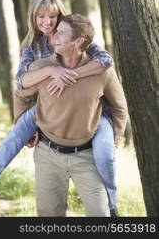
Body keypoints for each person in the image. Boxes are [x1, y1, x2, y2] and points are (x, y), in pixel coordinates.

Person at [0, 0, 116, 214]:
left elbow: (106, 60)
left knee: (105, 155)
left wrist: (70, 74)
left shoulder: (75, 34)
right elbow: (21, 83)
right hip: (49, 109)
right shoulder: (33, 46)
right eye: (41, 16)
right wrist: (51, 71)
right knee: (13, 138)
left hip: (89, 111)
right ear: (33, 17)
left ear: (61, 15)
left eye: (52, 16)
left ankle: (112, 205)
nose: (47, 22)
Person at [14, 14, 128, 216]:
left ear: (79, 41)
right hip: (47, 154)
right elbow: (21, 93)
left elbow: (119, 107)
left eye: (62, 33)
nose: (54, 36)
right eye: (56, 31)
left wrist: (113, 141)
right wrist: (23, 125)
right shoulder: (42, 68)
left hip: (86, 157)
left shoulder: (102, 72)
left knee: (100, 216)